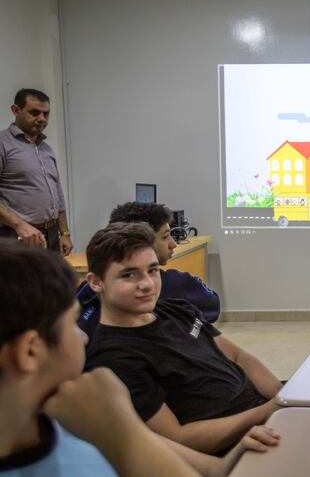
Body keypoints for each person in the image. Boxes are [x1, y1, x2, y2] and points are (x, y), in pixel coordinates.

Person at [0, 239, 280, 477]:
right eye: (73, 323)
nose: (84, 336)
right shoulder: (97, 416)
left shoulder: (68, 417)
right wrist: (121, 430)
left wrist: (235, 458)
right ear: (30, 350)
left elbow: (216, 470)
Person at [84, 222, 283, 455]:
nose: (147, 284)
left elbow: (239, 356)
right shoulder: (112, 358)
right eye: (129, 275)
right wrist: (269, 411)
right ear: (96, 282)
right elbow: (179, 438)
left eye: (153, 270)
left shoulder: (176, 310)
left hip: (268, 414)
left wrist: (283, 398)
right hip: (239, 445)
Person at [77, 202, 221, 342]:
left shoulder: (82, 293)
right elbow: (213, 306)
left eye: (152, 271)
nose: (173, 243)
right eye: (165, 236)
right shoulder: (177, 284)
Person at [0, 89, 72, 255]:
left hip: (51, 235)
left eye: (46, 114)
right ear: (16, 110)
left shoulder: (46, 149)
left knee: (51, 281)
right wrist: (19, 225)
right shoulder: (3, 144)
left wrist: (64, 232)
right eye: (34, 113)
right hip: (16, 236)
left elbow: (58, 194)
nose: (42, 119)